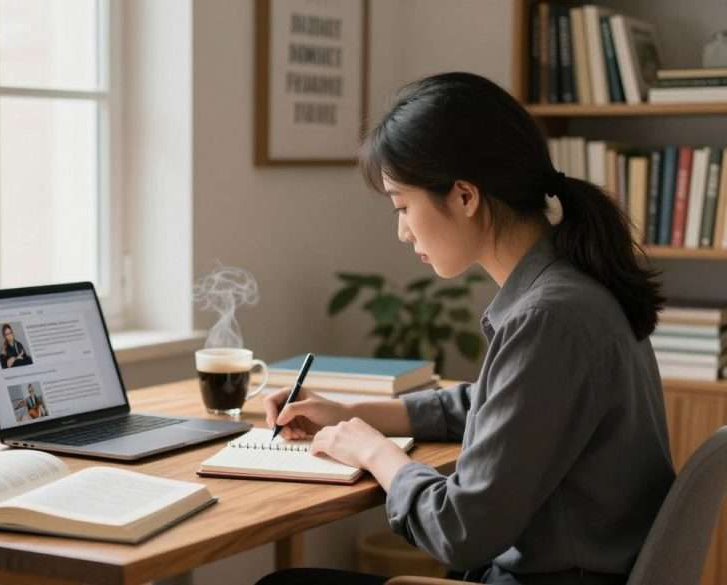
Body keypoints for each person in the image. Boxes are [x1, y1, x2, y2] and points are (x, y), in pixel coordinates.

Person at [257, 72, 675, 585]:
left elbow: (460, 530)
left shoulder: (549, 316)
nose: (402, 230)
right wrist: (352, 413)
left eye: (403, 205)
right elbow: (497, 405)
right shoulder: (572, 285)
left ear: (463, 196)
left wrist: (372, 450)